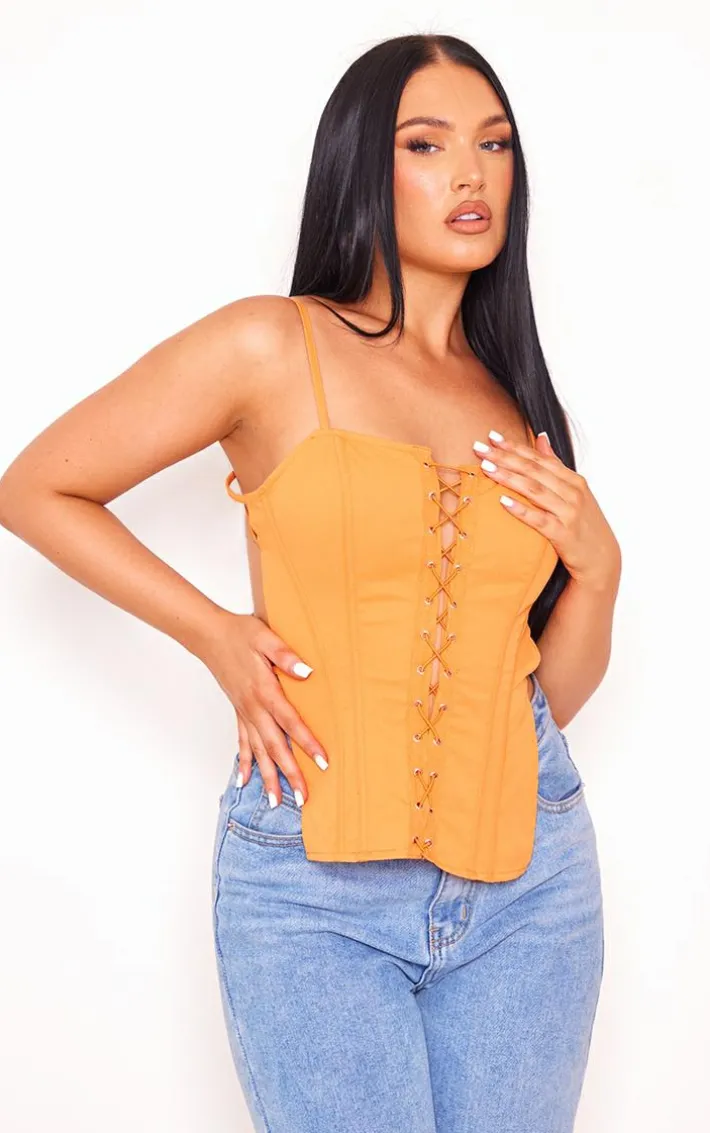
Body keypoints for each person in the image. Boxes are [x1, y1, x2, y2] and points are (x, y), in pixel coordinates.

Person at [0, 31, 621, 1133]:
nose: (470, 174)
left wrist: (600, 569)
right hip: (311, 887)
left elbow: (542, 703)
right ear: (359, 165)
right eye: (425, 144)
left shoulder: (515, 397)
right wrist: (216, 633)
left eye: (493, 144)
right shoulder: (270, 346)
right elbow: (38, 486)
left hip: (532, 890)